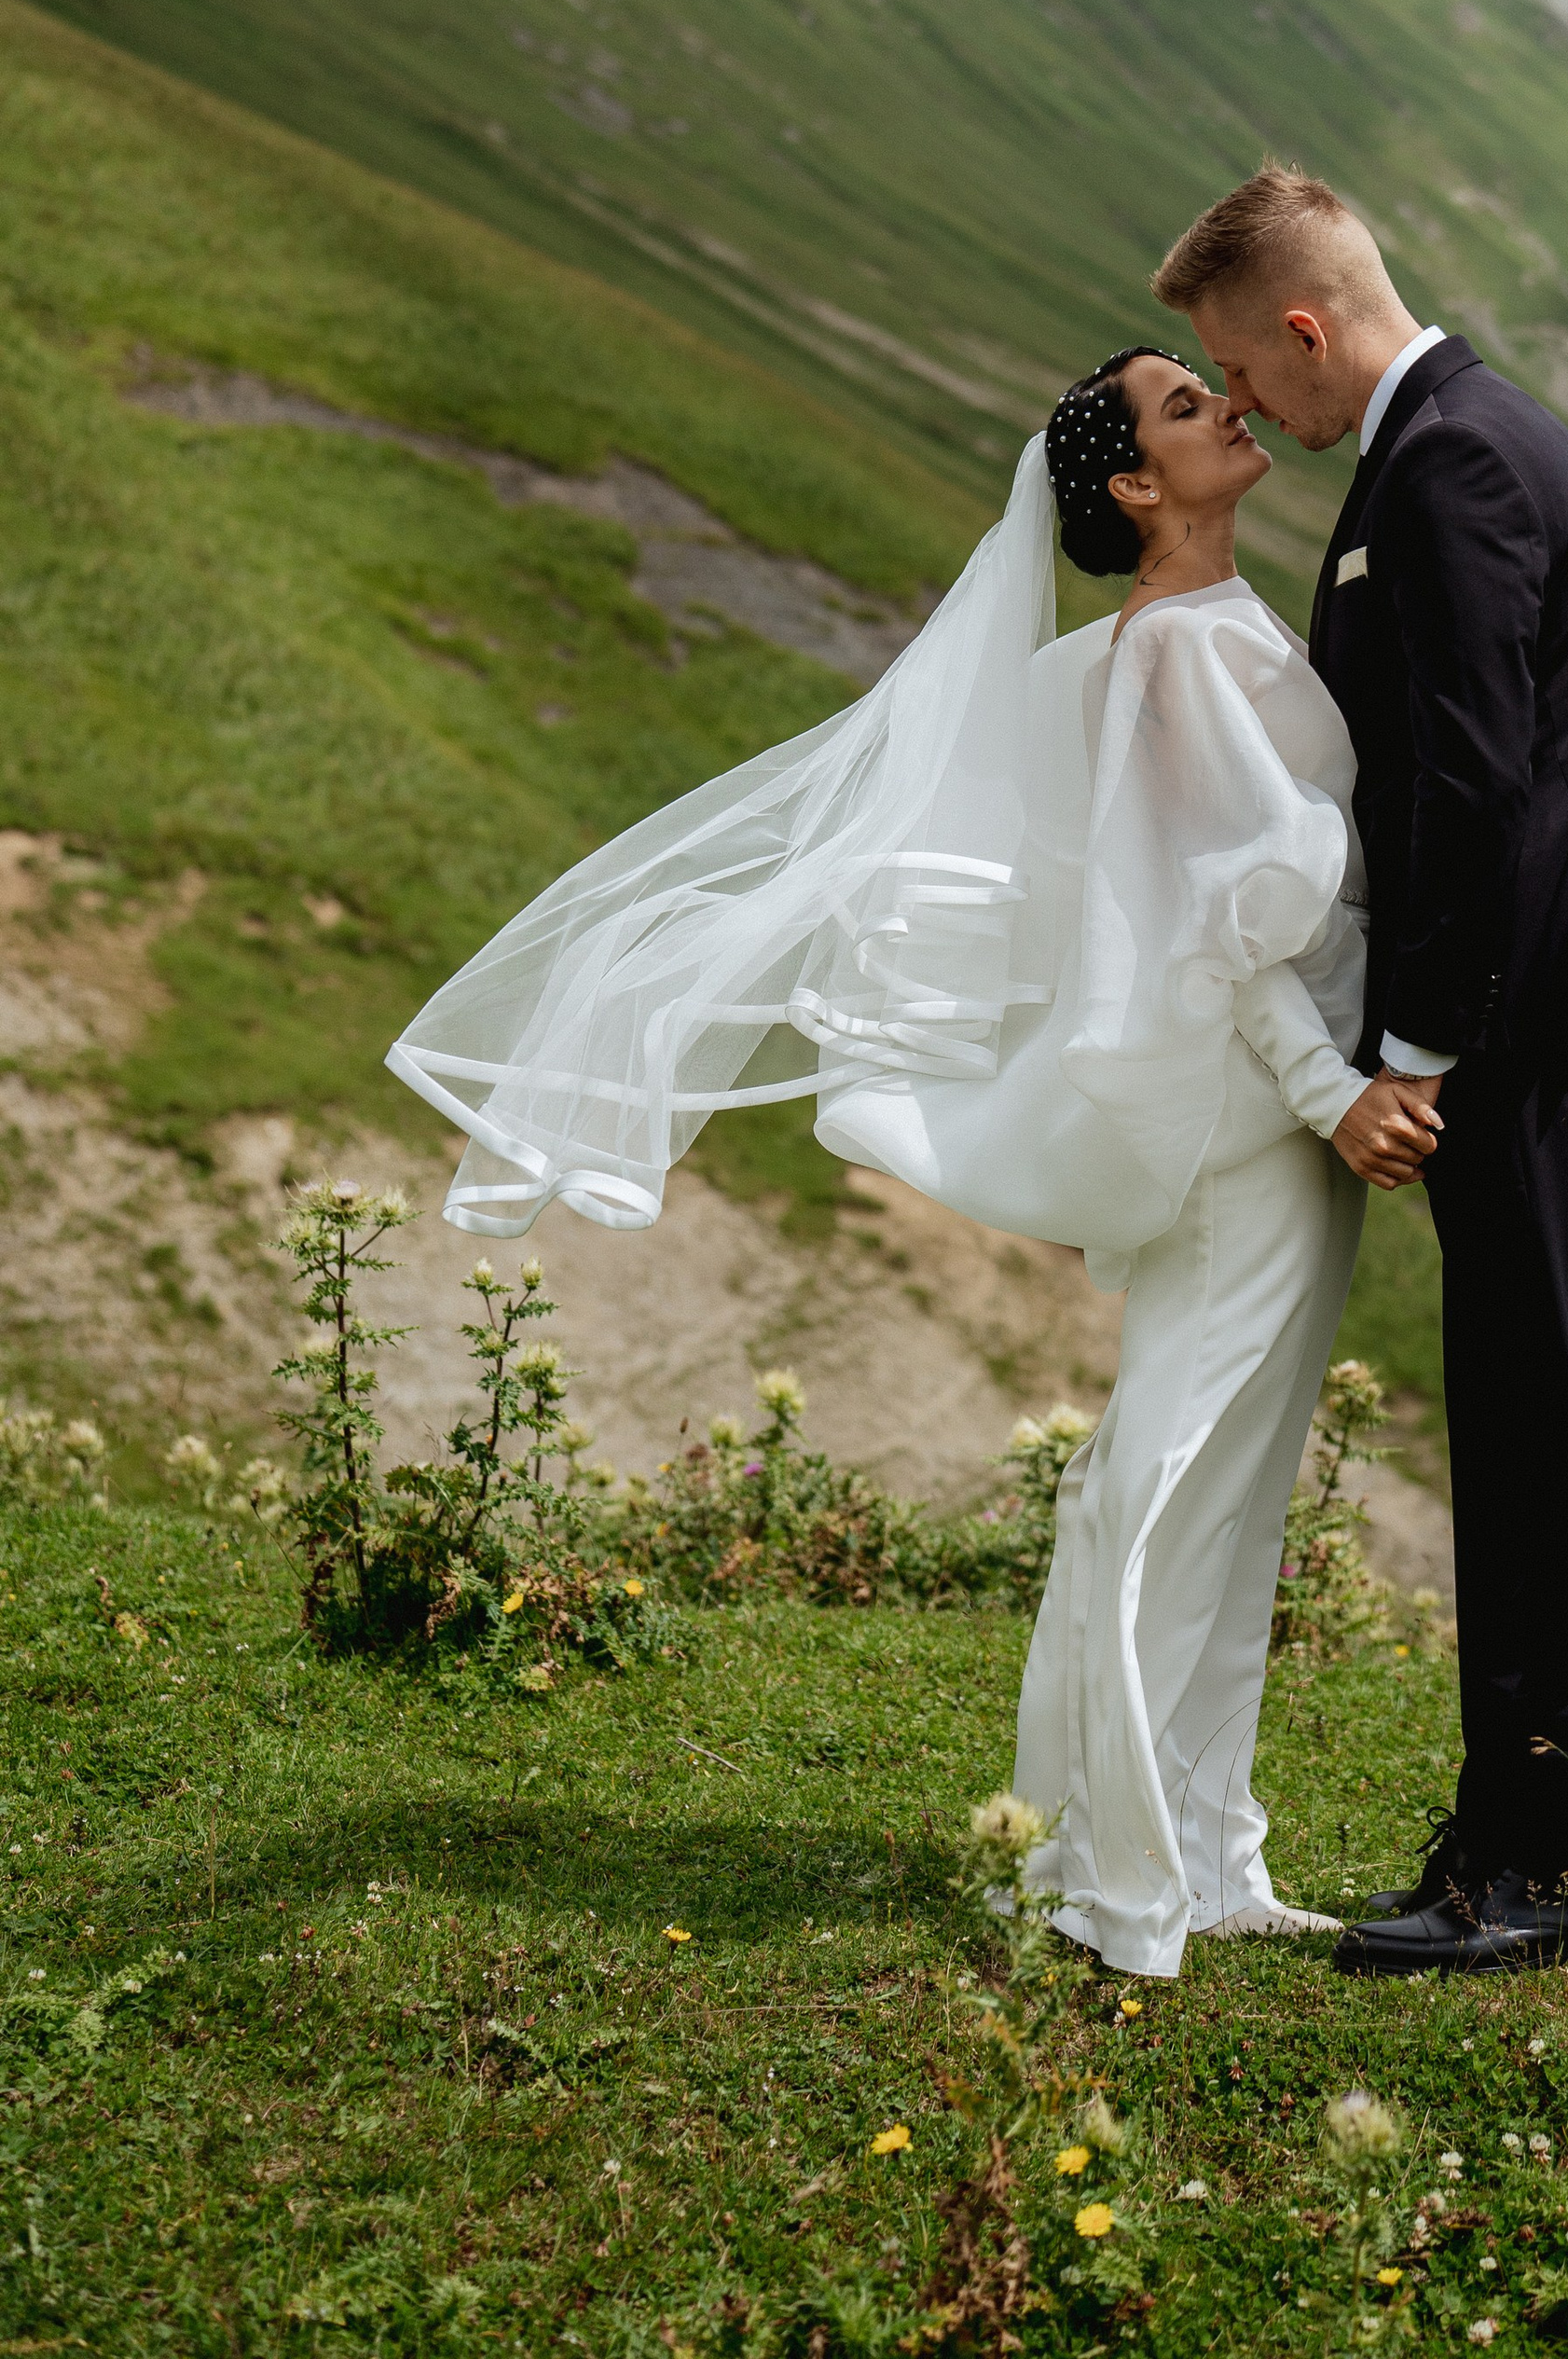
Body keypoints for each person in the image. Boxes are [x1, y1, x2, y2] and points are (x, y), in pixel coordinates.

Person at [388, 345, 1433, 1979]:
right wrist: (1328, 1095)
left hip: (1279, 1120)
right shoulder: (1166, 656)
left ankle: (1206, 1852)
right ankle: (1112, 1882)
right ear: (1135, 490)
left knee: (1230, 1492)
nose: (1228, 406)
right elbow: (1216, 934)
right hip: (1256, 1123)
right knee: (1163, 1487)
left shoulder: (1215, 634)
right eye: (1182, 408)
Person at [1153, 165, 1568, 1980]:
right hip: (1530, 1010)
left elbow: (1477, 795)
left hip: (1523, 1027)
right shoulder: (1452, 445)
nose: (1240, 412)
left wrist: (1404, 1055)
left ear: (1302, 329)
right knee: (1517, 1415)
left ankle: (1557, 1866)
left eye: (1240, 373)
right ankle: (1505, 1830)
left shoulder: (1452, 466)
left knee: (1545, 1428)